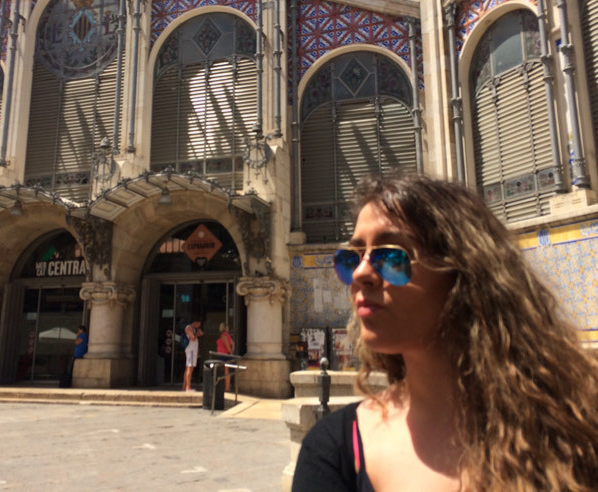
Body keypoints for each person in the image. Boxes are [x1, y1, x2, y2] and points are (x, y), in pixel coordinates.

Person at [292, 173, 598, 491]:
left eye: (391, 256)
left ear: (461, 273)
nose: (361, 273)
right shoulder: (333, 451)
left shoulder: (574, 431)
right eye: (351, 258)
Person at [182, 320, 203, 392]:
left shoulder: (194, 329)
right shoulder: (188, 328)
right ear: (195, 322)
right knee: (189, 367)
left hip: (193, 351)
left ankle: (184, 386)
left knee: (190, 368)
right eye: (198, 324)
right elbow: (193, 338)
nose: (199, 326)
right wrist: (197, 334)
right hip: (190, 350)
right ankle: (188, 387)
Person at [216, 322, 236, 392]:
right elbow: (233, 344)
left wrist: (230, 353)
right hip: (225, 354)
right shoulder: (227, 335)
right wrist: (231, 353)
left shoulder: (224, 335)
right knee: (226, 370)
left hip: (224, 355)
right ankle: (227, 387)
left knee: (226, 370)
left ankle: (227, 387)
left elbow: (228, 345)